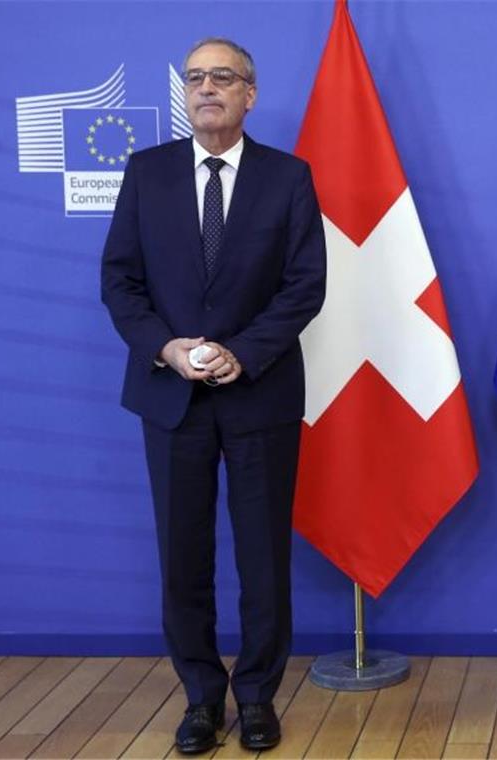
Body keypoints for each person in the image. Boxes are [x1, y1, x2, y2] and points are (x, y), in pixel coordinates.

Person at [100, 37, 326, 754]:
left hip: (259, 395)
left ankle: (257, 696)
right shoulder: (148, 173)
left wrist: (245, 352)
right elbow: (120, 282)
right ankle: (202, 697)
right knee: (183, 557)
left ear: (249, 94)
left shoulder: (288, 177)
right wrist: (166, 348)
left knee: (263, 558)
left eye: (222, 78)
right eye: (195, 78)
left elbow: (304, 285)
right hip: (171, 398)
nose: (206, 89)